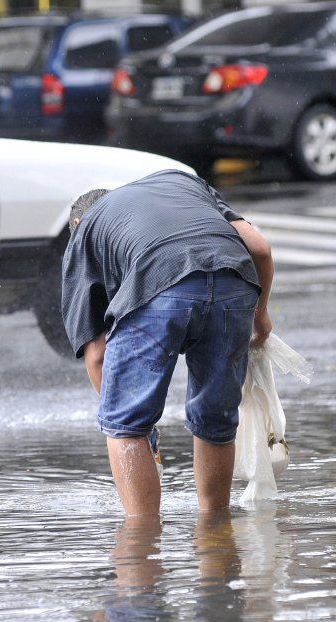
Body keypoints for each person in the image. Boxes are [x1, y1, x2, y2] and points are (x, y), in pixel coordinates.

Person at [61, 169, 273, 517]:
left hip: (156, 282)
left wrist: (131, 424)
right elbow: (260, 249)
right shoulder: (183, 182)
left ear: (79, 222)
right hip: (235, 281)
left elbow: (97, 355)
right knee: (215, 421)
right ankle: (215, 534)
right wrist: (260, 314)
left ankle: (141, 545)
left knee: (125, 429)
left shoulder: (86, 231)